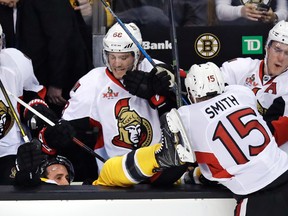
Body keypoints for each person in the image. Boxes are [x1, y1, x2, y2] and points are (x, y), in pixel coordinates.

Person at [32, 21, 186, 185]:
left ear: (138, 54)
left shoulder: (158, 71)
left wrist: (161, 94)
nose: (116, 63)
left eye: (123, 57)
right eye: (112, 56)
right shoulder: (94, 82)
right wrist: (54, 134)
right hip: (117, 176)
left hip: (161, 171)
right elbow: (63, 129)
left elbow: (190, 107)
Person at [219, 20, 288, 153]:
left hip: (276, 160)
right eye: (277, 49)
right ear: (267, 47)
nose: (280, 58)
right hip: (234, 153)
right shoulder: (239, 68)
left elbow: (273, 135)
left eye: (287, 53)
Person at [16, 0, 94, 117]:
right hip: (37, 80)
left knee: (60, 127)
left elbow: (60, 39)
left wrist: (56, 83)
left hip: (58, 84)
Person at [0, 23, 56, 185]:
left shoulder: (14, 61)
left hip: (11, 151)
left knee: (24, 183)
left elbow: (30, 95)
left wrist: (36, 109)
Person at [215, 0, 287, 25]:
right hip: (234, 34)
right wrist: (240, 11)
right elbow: (220, 11)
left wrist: (274, 17)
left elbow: (284, 12)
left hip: (267, 36)